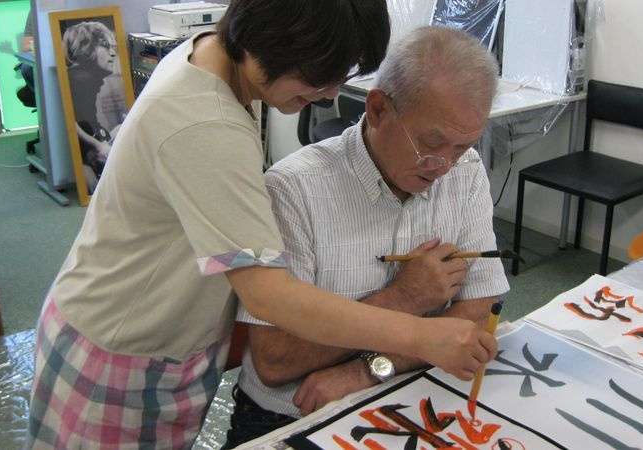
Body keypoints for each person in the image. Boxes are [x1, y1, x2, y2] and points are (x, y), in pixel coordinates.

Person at [25, 2, 498, 448]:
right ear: (274, 40)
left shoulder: (215, 57)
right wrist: (419, 334)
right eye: (323, 75)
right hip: (123, 349)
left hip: (159, 337)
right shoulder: (207, 125)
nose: (331, 94)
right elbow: (269, 295)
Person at [225, 26, 508, 447]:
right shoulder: (293, 189)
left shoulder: (464, 174)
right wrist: (404, 298)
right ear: (377, 109)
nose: (444, 165)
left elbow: (480, 312)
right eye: (432, 143)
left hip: (409, 393)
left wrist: (367, 370)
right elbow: (276, 361)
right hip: (292, 414)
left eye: (462, 146)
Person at [62, 20, 120, 193]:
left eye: (112, 47)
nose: (113, 53)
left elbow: (85, 122)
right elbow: (69, 121)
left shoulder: (82, 77)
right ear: (85, 48)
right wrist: (98, 145)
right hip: (81, 156)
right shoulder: (82, 80)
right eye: (105, 46)